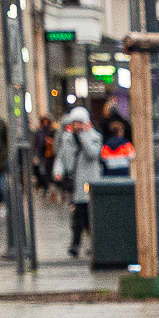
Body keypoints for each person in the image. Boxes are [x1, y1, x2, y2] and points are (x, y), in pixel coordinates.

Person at [53, 106, 98, 256]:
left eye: (79, 122)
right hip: (75, 182)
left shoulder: (94, 137)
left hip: (89, 182)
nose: (76, 126)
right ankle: (77, 244)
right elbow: (61, 157)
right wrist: (58, 171)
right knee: (78, 214)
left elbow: (93, 153)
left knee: (88, 213)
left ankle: (88, 244)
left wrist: (84, 136)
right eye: (74, 123)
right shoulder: (67, 139)